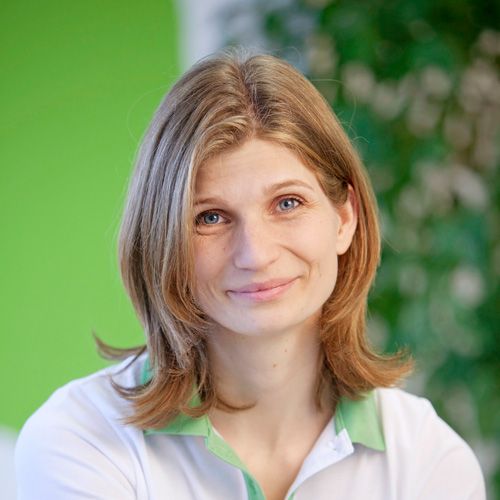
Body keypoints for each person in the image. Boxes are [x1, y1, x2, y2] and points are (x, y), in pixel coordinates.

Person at [15, 50, 485, 500]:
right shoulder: (81, 441)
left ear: (344, 219)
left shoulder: (428, 461)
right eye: (210, 218)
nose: (256, 255)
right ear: (163, 242)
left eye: (287, 203)